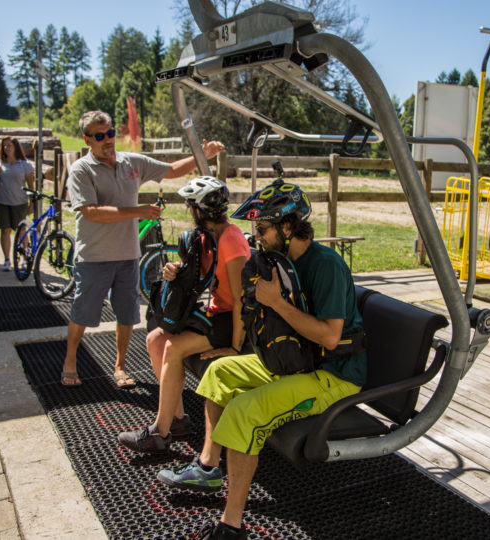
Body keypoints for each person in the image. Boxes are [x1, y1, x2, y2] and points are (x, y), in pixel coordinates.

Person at [156, 183, 367, 540]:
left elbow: (331, 337)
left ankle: (231, 525)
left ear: (288, 227)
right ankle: (208, 467)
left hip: (333, 374)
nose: (256, 238)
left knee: (245, 411)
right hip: (298, 361)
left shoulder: (325, 265)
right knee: (220, 373)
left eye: (262, 229)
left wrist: (276, 302)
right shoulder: (282, 262)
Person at [62, 110, 225, 388]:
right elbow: (89, 212)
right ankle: (71, 359)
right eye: (100, 136)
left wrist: (203, 156)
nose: (107, 140)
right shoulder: (81, 169)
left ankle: (120, 366)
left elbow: (171, 170)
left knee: (127, 314)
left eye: (110, 133)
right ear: (87, 139)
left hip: (128, 255)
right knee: (83, 313)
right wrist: (135, 211)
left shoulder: (131, 162)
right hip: (94, 256)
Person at [118, 176, 250, 452]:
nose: (190, 213)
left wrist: (235, 348)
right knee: (155, 339)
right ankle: (176, 419)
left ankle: (159, 433)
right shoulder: (206, 238)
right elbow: (200, 276)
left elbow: (241, 300)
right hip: (217, 312)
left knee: (174, 347)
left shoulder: (231, 240)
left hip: (236, 320)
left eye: (191, 207)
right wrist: (175, 270)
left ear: (199, 210)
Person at [0, 137, 35, 271]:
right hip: (1, 202)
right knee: (5, 230)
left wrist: (32, 204)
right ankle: (6, 260)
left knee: (22, 231)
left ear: (16, 147)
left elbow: (31, 186)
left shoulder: (24, 165)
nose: (6, 148)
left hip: (19, 202)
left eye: (9, 145)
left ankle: (24, 257)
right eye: (4, 146)